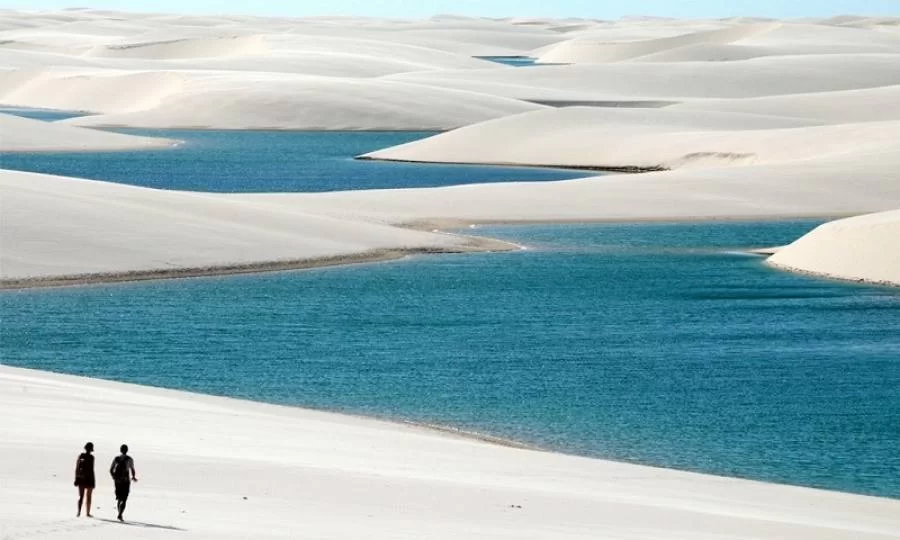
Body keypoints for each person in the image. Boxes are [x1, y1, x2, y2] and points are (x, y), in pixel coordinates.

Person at [109, 444, 138, 521]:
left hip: (117, 481)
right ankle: (120, 514)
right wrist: (133, 477)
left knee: (119, 498)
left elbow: (111, 470)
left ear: (120, 450)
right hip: (125, 481)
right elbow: (132, 469)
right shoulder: (129, 459)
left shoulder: (116, 458)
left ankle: (119, 513)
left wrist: (114, 478)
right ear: (127, 450)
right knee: (124, 499)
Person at [74, 442, 95, 518]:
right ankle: (88, 513)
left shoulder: (80, 456)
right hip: (89, 479)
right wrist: (93, 481)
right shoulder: (92, 457)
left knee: (81, 496)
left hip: (81, 478)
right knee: (88, 496)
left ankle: (78, 512)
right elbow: (92, 469)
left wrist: (76, 478)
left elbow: (77, 468)